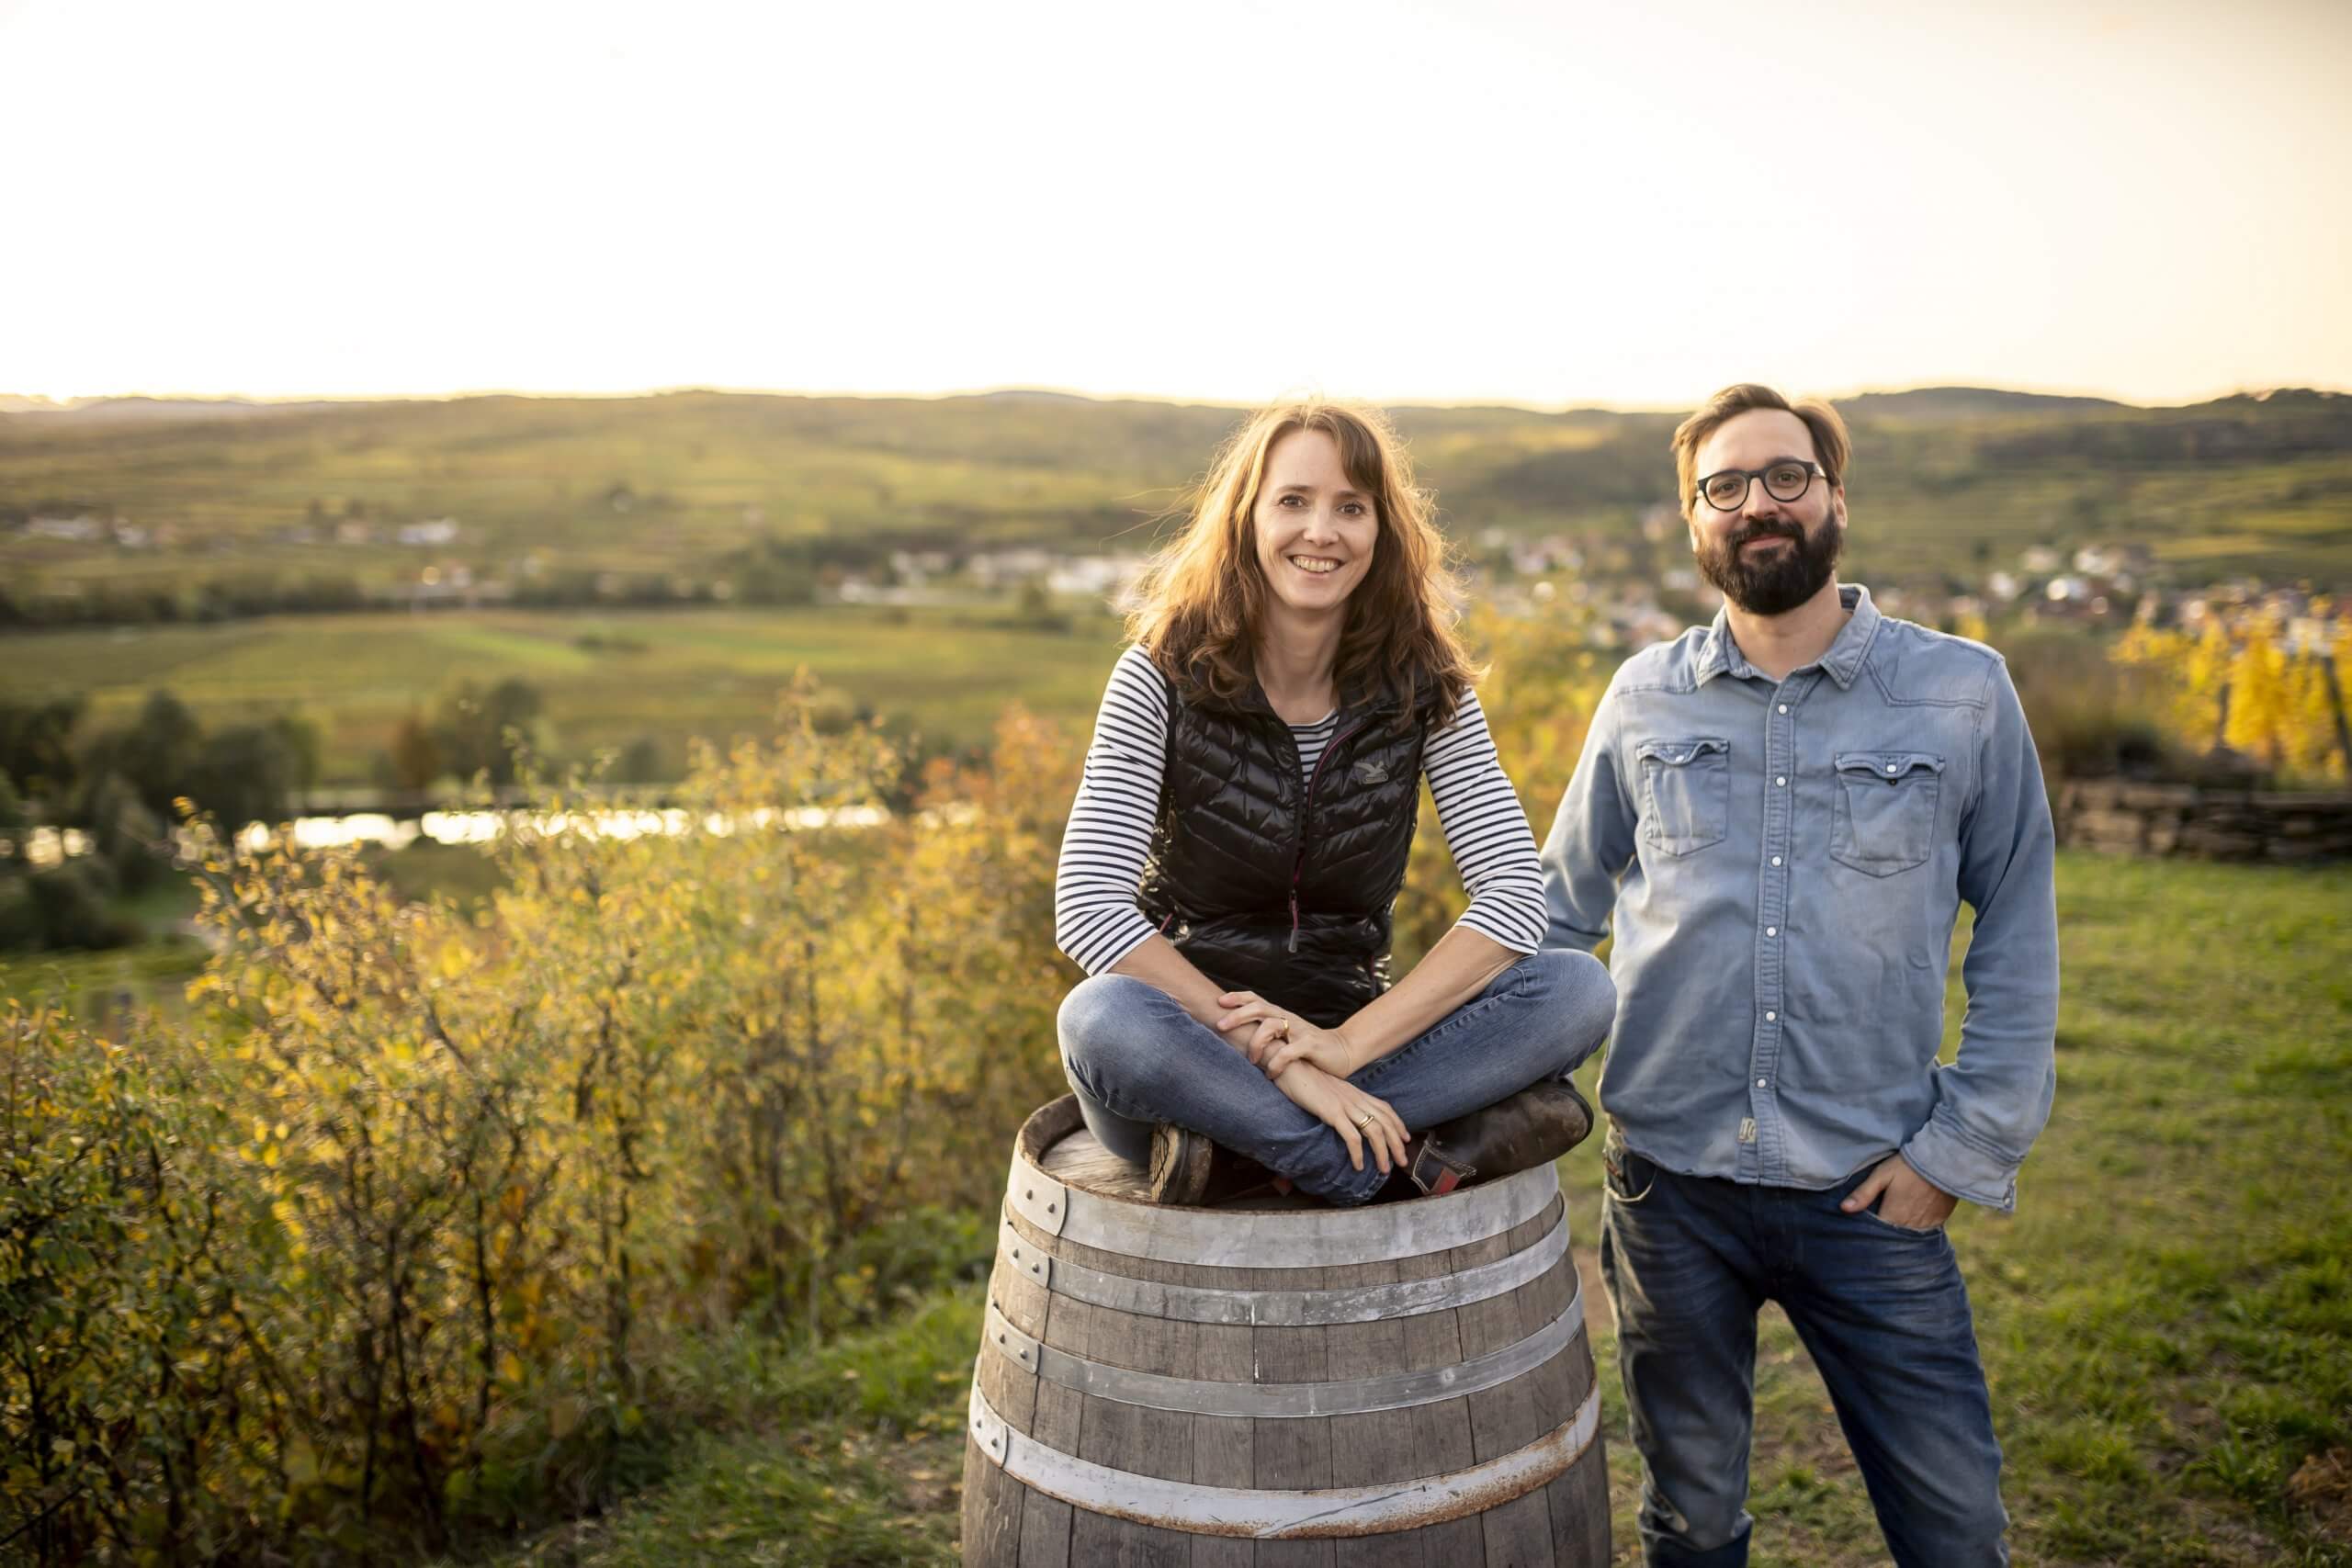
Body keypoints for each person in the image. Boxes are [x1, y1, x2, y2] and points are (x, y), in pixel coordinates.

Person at [1541, 383, 2059, 1566]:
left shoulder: (1962, 692)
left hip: (1872, 1187)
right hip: (1669, 1192)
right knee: (1691, 1518)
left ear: (1835, 497)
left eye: (1785, 476)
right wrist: (1518, 1091)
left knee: (1954, 1528)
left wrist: (1961, 1150)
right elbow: (1557, 916)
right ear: (1691, 518)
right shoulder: (1641, 697)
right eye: (1723, 486)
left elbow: (2019, 925)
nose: (1757, 505)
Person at [1054, 400, 1616, 1206]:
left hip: (1357, 1039)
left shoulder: (1427, 693)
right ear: (1246, 517)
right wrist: (1279, 1062)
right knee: (1101, 1017)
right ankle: (1363, 1157)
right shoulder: (1160, 677)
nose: (1321, 530)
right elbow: (1088, 906)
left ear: (1382, 534)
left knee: (1576, 991)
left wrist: (1344, 1049)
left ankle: (1273, 1152)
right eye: (1293, 501)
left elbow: (1517, 903)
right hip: (1191, 1048)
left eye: (1351, 507)